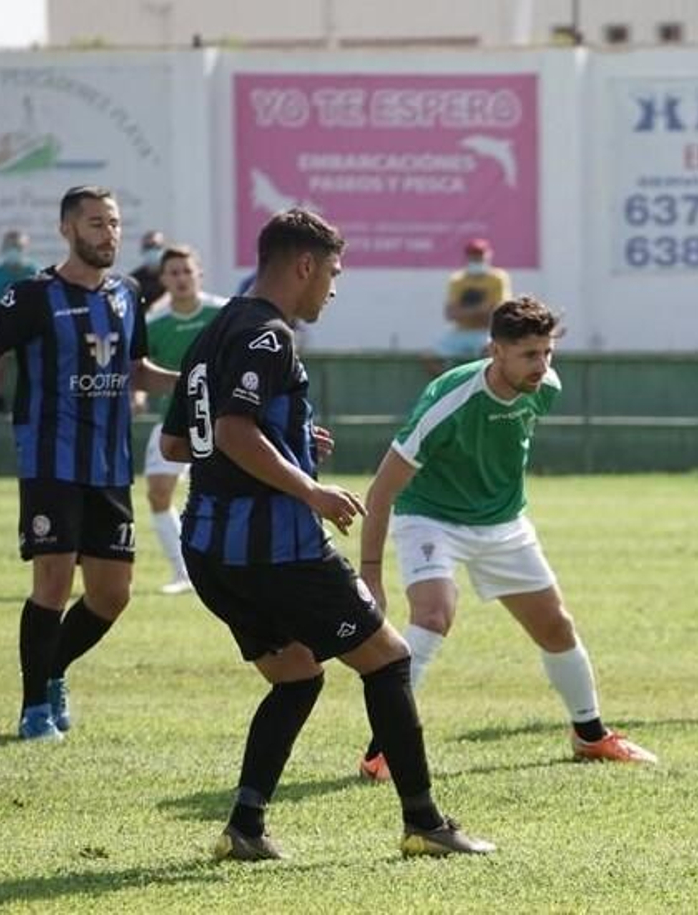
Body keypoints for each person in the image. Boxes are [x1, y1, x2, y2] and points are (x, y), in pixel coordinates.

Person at [159, 209, 492, 860]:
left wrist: (287, 442)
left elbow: (180, 441)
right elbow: (231, 432)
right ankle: (425, 822)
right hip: (275, 550)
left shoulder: (211, 333)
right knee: (390, 659)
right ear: (304, 265)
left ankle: (245, 828)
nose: (333, 288)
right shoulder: (268, 335)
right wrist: (309, 488)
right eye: (333, 272)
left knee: (297, 676)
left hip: (209, 552)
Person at [353, 295, 656, 782]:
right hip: (431, 517)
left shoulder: (545, 388)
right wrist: (371, 573)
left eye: (547, 352)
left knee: (556, 626)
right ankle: (382, 750)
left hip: (502, 522)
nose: (542, 366)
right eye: (529, 355)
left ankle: (590, 735)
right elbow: (383, 489)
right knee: (434, 615)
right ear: (496, 351)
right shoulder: (449, 402)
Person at [0, 186, 177, 741]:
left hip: (109, 464)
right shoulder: (31, 295)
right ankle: (36, 708)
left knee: (112, 594)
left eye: (113, 223)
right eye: (95, 224)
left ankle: (52, 668)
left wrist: (187, 383)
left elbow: (136, 370)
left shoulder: (129, 293)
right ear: (67, 229)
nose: (108, 234)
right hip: (50, 460)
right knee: (53, 579)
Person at [135, 245, 227, 594]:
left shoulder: (221, 314)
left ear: (198, 274)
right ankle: (183, 572)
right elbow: (139, 370)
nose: (181, 278)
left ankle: (224, 566)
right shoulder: (154, 325)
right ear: (163, 280)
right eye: (173, 273)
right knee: (158, 493)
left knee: (221, 493)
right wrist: (139, 395)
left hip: (222, 422)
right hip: (174, 421)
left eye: (186, 271)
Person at [0, 230, 38, 414]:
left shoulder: (35, 273)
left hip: (32, 329)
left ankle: (36, 395)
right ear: (3, 249)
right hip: (4, 328)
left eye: (18, 247)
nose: (14, 251)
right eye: (11, 247)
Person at [430, 238, 511, 375]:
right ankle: (450, 387)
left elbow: (498, 312)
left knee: (492, 353)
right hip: (461, 332)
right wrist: (481, 309)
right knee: (430, 357)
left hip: (486, 332)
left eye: (480, 256)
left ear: (488, 256)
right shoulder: (457, 279)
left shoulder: (498, 278)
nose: (477, 260)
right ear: (467, 257)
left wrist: (465, 312)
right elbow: (450, 314)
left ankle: (485, 389)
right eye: (474, 256)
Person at [128, 229, 167, 310]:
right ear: (142, 250)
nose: (152, 250)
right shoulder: (134, 279)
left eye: (156, 246)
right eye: (148, 247)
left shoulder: (172, 274)